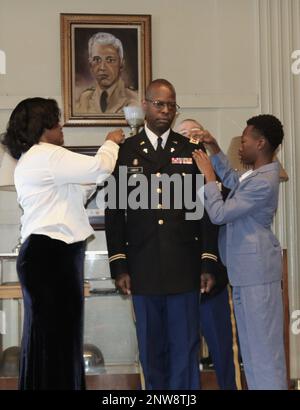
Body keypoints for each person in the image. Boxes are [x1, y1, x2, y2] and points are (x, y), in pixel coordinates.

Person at [1, 97, 124, 390]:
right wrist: (111, 142)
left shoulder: (38, 159)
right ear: (44, 127)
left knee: (49, 338)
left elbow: (78, 193)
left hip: (48, 254)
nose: (62, 128)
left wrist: (93, 178)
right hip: (52, 255)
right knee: (59, 339)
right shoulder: (46, 155)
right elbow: (99, 167)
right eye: (57, 122)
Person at [105, 79, 220, 390]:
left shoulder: (192, 151)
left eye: (171, 105)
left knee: (185, 349)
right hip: (142, 269)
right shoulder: (126, 152)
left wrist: (208, 261)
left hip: (184, 267)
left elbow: (208, 209)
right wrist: (119, 264)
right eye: (159, 104)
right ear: (145, 105)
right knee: (151, 350)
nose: (166, 111)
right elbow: (115, 212)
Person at [192, 114, 287, 390]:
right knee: (252, 350)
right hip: (247, 275)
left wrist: (208, 175)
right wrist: (215, 148)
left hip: (257, 276)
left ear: (261, 143)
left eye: (244, 141)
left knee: (264, 353)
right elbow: (233, 180)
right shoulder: (255, 175)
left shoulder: (264, 181)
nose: (240, 147)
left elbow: (219, 213)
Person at [176, 119, 240, 390]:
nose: (190, 140)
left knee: (224, 352)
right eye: (183, 135)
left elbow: (225, 212)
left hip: (214, 280)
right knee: (182, 353)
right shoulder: (163, 180)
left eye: (195, 134)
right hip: (177, 282)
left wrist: (210, 174)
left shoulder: (220, 179)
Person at [76, 32, 139, 115]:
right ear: (90, 65)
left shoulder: (134, 99)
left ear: (121, 64)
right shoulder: (84, 99)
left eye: (110, 60)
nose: (102, 67)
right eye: (97, 59)